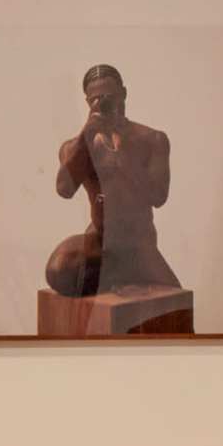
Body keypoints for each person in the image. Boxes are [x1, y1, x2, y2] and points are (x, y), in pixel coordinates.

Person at [42, 62, 179, 300]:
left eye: (109, 96)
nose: (103, 103)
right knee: (58, 268)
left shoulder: (151, 139)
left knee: (174, 306)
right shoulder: (77, 146)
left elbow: (158, 196)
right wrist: (86, 136)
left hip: (139, 243)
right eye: (95, 99)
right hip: (100, 240)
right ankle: (114, 274)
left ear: (123, 94)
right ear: (87, 102)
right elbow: (64, 189)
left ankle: (119, 274)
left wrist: (123, 159)